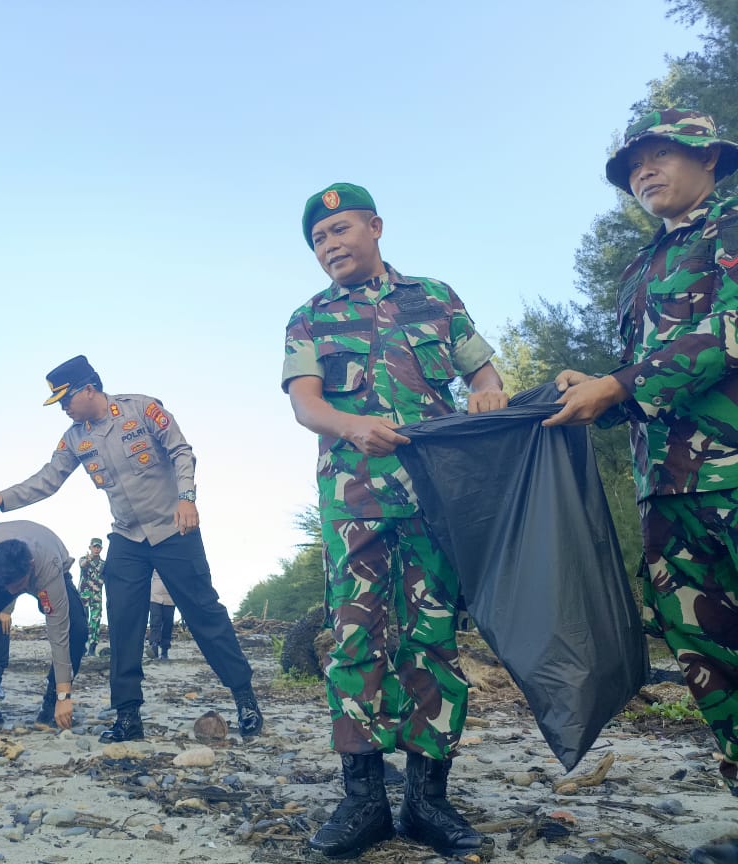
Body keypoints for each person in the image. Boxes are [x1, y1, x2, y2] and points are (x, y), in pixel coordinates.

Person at [284, 183, 507, 860]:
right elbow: (306, 405)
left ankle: (428, 802)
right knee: (356, 642)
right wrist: (353, 425)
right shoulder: (309, 317)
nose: (330, 246)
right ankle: (362, 803)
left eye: (340, 230)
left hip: (437, 498)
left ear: (376, 227)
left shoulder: (434, 298)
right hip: (354, 501)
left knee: (433, 640)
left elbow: (484, 374)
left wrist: (489, 393)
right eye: (319, 239)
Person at [544, 109, 738, 864]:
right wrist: (589, 391)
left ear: (711, 158)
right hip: (669, 492)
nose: (643, 173)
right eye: (632, 168)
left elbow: (725, 333)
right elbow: (640, 381)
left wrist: (618, 384)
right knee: (709, 657)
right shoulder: (641, 268)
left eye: (660, 156)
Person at [0, 355, 263, 743]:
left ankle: (244, 697)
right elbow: (48, 480)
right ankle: (128, 716)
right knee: (124, 623)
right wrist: (2, 497)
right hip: (127, 537)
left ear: (88, 389)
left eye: (66, 400)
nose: (63, 409)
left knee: (204, 613)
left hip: (173, 528)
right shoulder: (75, 438)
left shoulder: (142, 410)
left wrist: (187, 498)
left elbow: (181, 450)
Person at [0, 519, 87, 732]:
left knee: (77, 629)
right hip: (4, 574)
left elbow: (59, 633)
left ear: (29, 568)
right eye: (8, 589)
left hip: (51, 569)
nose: (13, 593)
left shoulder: (47, 569)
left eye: (18, 587)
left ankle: (51, 703)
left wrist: (63, 695)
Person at [78, 537, 105, 655]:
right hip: (84, 596)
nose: (96, 549)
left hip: (96, 596)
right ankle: (82, 646)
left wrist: (98, 585)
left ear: (101, 549)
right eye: (94, 546)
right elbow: (82, 565)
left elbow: (105, 578)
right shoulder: (84, 559)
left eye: (98, 547)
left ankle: (93, 647)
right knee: (82, 621)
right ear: (90, 548)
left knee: (95, 621)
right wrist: (88, 560)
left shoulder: (103, 564)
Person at [146, 571, 176, 661]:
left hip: (170, 597)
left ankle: (165, 650)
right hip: (155, 595)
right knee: (155, 619)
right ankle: (154, 646)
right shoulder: (154, 557)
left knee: (168, 622)